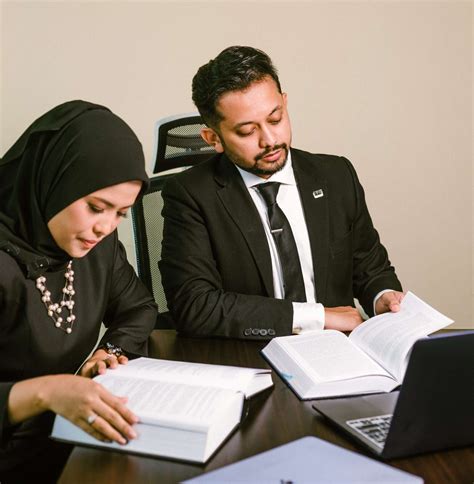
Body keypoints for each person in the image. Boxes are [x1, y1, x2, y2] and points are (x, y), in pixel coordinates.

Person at [159, 46, 403, 339]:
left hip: (336, 352)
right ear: (214, 139)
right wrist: (317, 317)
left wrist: (383, 296)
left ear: (284, 104)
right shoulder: (190, 195)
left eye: (275, 119)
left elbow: (370, 268)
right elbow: (195, 306)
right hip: (249, 354)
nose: (270, 140)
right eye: (247, 131)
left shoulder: (336, 175)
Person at [0, 100, 157, 483]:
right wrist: (47, 392)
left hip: (63, 436)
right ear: (54, 182)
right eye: (96, 207)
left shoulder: (95, 245)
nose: (105, 227)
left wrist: (110, 351)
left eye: (121, 213)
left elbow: (138, 307)